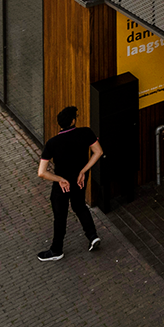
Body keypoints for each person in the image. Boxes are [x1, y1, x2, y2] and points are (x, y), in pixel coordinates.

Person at [37, 105, 102, 262]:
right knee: (79, 205)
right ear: (73, 121)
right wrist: (83, 171)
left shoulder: (52, 143)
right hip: (79, 180)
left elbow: (41, 172)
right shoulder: (86, 132)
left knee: (60, 216)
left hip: (62, 185)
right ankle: (92, 235)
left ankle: (56, 250)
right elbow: (98, 152)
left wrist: (59, 179)